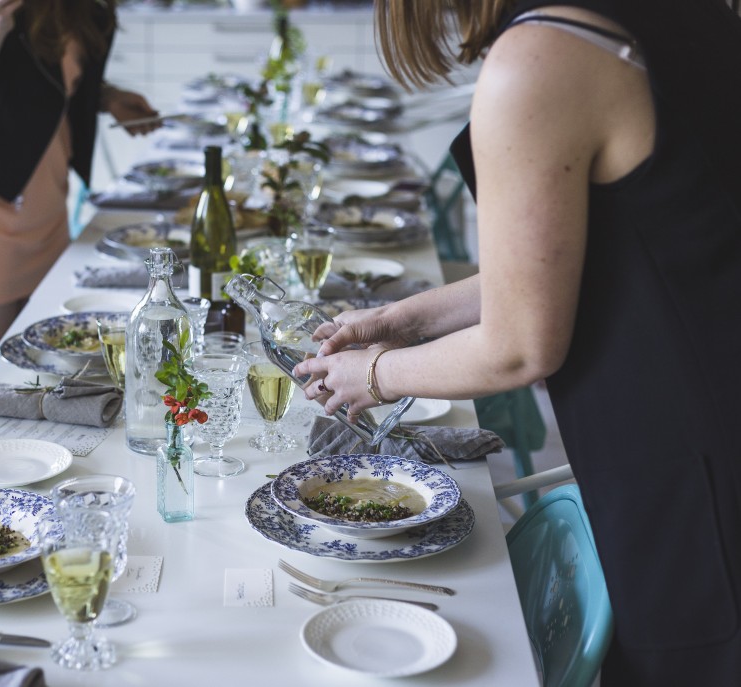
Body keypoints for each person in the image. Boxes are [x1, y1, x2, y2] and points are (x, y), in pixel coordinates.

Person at [292, 0, 741, 683]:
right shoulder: (680, 14)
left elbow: (519, 344)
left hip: (692, 482)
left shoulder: (540, 59)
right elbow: (588, 256)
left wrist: (375, 374)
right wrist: (404, 320)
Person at [0, 0, 160, 348]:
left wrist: (107, 98)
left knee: (50, 335)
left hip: (42, 191)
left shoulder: (91, 8)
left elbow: (54, 79)